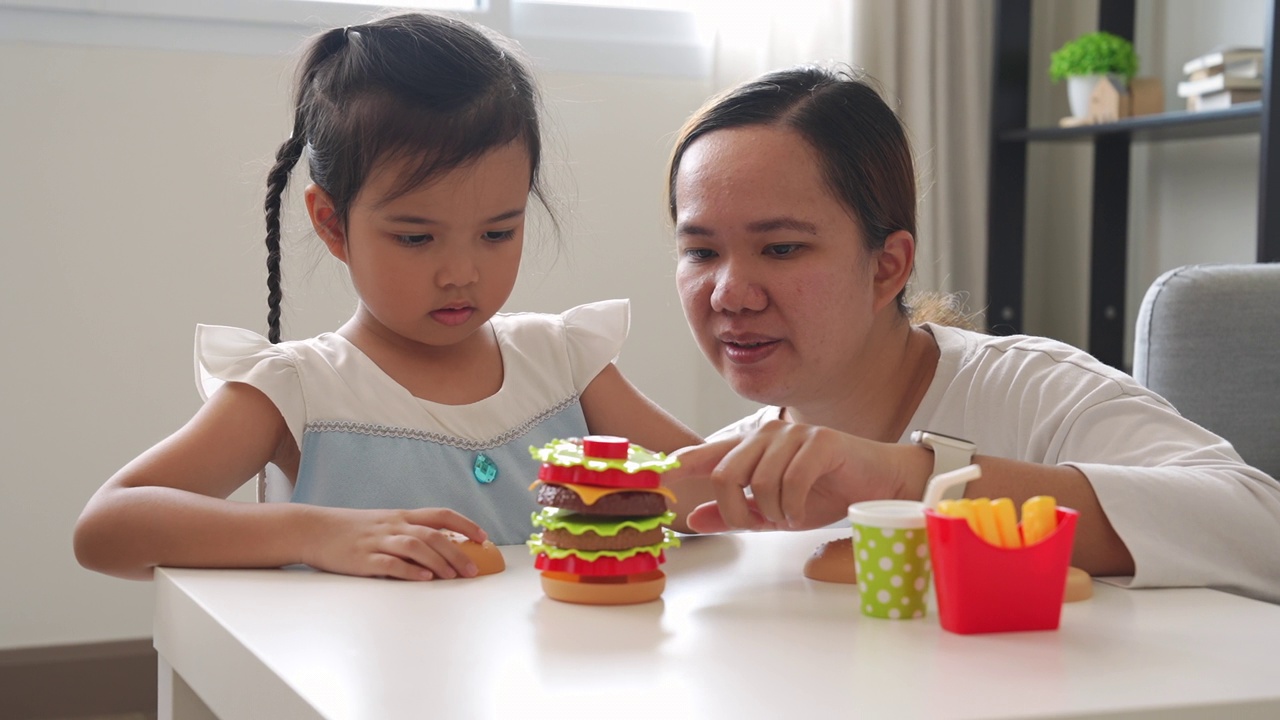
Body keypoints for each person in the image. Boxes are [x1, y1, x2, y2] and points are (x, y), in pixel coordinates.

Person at [73, 12, 699, 583]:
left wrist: (780, 451)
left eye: (497, 233)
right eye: (416, 237)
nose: (460, 272)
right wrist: (316, 531)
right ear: (332, 223)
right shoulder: (299, 389)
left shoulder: (563, 363)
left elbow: (707, 490)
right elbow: (108, 527)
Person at [661, 65, 1280, 603]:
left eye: (782, 247)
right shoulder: (738, 484)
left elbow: (1261, 527)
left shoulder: (1036, 395)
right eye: (701, 251)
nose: (729, 294)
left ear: (887, 266)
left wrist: (916, 479)